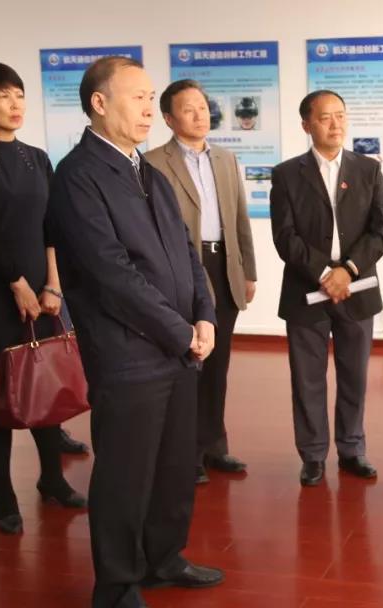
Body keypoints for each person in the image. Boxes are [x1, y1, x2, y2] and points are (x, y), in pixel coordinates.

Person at [45, 56, 223, 608]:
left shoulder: (149, 172)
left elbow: (187, 254)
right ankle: (117, 584)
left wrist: (205, 315)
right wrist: (179, 330)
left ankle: (163, 558)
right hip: (127, 354)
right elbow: (111, 274)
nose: (149, 108)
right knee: (125, 474)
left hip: (178, 347)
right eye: (138, 97)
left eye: (151, 97)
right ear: (99, 104)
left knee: (174, 465)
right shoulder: (78, 177)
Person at [0, 62, 87, 535]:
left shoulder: (37, 158)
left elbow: (52, 227)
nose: (15, 104)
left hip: (44, 290)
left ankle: (52, 479)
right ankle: (4, 494)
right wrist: (17, 284)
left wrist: (52, 284)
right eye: (3, 96)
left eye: (19, 94)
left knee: (44, 379)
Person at [269, 90, 383, 486]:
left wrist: (347, 271)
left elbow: (379, 232)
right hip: (306, 291)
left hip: (357, 288)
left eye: (340, 115)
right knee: (307, 378)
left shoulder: (368, 170)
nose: (335, 124)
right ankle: (313, 454)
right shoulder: (287, 174)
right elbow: (285, 237)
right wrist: (324, 273)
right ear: (307, 125)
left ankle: (352, 449)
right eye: (325, 117)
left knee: (354, 375)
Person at [146, 79, 258, 485]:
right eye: (188, 109)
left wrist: (248, 270)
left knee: (218, 363)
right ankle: (186, 452)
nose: (200, 115)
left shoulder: (226, 159)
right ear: (169, 118)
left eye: (203, 107)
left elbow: (240, 217)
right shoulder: (153, 163)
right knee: (189, 362)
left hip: (224, 265)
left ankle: (214, 446)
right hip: (181, 269)